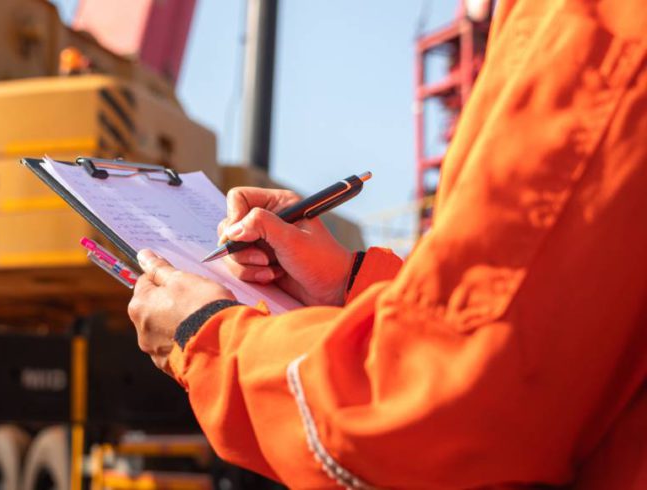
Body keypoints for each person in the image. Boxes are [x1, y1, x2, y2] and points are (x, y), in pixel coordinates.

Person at [126, 0, 647, 487]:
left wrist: (208, 338)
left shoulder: (596, 33)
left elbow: (442, 416)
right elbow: (546, 328)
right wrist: (349, 284)